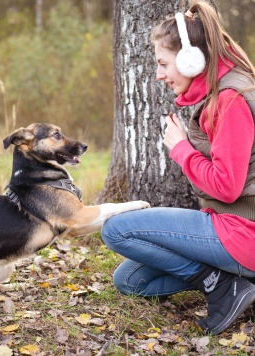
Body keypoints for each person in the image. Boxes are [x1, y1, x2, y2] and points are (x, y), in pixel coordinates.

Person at [101, 0, 255, 335]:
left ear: (191, 59)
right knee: (130, 280)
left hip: (244, 233)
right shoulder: (221, 96)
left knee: (115, 230)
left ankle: (221, 285)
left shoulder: (231, 101)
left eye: (163, 63)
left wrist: (183, 150)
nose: (158, 74)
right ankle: (237, 282)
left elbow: (228, 187)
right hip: (233, 232)